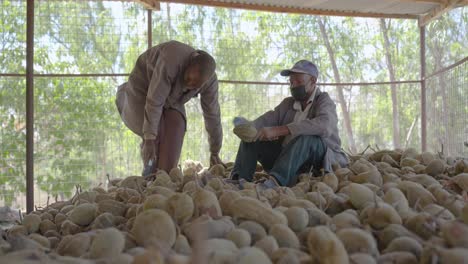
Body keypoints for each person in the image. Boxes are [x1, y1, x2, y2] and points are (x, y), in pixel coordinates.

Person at [231, 60, 348, 188]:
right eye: (291, 82)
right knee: (253, 137)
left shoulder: (324, 101)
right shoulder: (288, 103)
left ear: (313, 81)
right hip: (288, 162)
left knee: (305, 138)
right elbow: (269, 118)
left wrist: (280, 130)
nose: (294, 86)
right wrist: (248, 126)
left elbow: (324, 125)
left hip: (315, 162)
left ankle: (275, 182)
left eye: (298, 82)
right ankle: (239, 179)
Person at [116, 40, 223, 176]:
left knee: (177, 127)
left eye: (194, 86)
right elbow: (154, 101)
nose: (189, 85)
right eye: (188, 79)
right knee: (156, 134)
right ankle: (149, 176)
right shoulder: (171, 59)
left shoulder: (210, 83)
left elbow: (212, 115)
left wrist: (215, 151)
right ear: (188, 63)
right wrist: (149, 139)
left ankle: (162, 178)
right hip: (144, 87)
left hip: (173, 98)